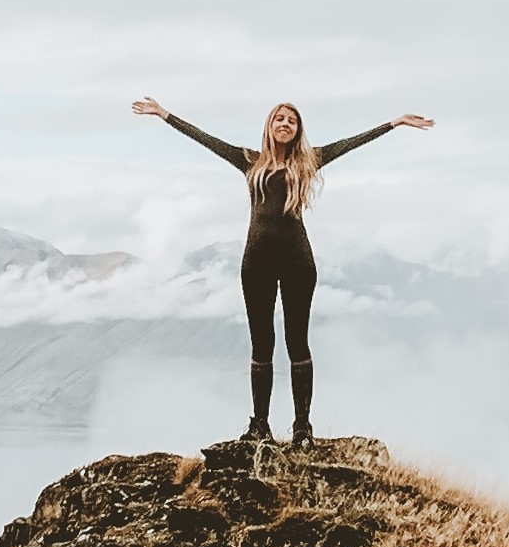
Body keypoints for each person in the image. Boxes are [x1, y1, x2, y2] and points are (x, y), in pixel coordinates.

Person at [132, 95, 434, 444]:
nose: (285, 123)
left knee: (297, 341)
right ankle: (259, 425)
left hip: (297, 263)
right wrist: (164, 114)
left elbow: (351, 143)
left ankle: (302, 426)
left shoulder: (310, 161)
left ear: (297, 129)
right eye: (279, 118)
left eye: (291, 120)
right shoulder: (250, 161)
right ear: (270, 126)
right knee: (261, 344)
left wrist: (394, 123)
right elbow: (205, 139)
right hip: (256, 263)